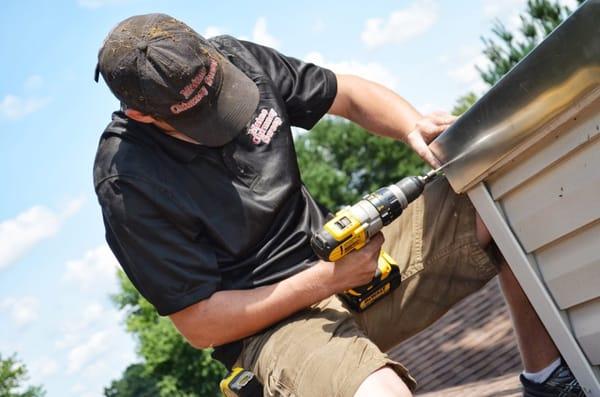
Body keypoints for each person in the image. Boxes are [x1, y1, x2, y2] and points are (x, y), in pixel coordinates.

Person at [93, 13, 583, 397]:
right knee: (382, 393)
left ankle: (546, 379)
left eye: (219, 92)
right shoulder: (128, 180)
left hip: (343, 263)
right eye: (199, 115)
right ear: (141, 114)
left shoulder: (238, 58)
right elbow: (200, 323)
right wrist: (325, 281)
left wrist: (411, 124)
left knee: (495, 188)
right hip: (272, 329)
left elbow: (346, 94)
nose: (222, 114)